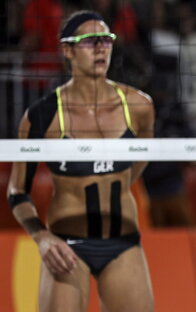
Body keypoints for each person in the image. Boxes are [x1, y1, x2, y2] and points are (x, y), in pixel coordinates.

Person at [6, 11, 154, 311]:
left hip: (123, 242)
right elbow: (17, 191)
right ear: (68, 50)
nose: (101, 48)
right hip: (66, 245)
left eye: (106, 40)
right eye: (90, 41)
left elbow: (140, 162)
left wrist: (110, 175)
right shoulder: (43, 116)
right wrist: (42, 238)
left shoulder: (138, 106)